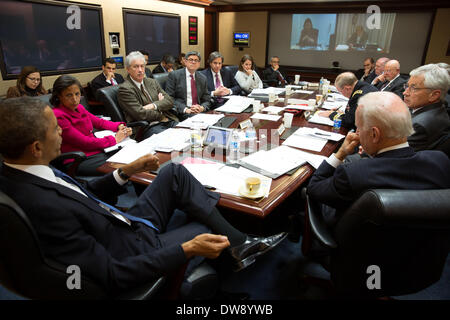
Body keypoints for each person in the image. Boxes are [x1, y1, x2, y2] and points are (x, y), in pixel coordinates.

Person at [0, 96, 287, 295]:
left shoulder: (28, 170)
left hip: (119, 223)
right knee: (204, 226)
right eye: (55, 129)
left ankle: (241, 244)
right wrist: (186, 249)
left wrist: (125, 172)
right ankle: (229, 262)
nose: (62, 132)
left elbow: (81, 193)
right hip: (130, 249)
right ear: (36, 147)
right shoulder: (41, 206)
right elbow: (111, 274)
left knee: (174, 171)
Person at [307, 91, 450, 226]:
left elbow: (314, 188)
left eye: (358, 128)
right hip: (427, 249)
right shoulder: (440, 161)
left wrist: (340, 154)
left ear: (375, 134)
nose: (357, 133)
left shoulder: (353, 173)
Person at [51, 75, 132, 176]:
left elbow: (99, 122)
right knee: (125, 166)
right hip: (78, 159)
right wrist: (115, 139)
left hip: (96, 150)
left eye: (77, 94)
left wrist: (119, 126)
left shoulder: (79, 108)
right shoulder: (58, 115)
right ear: (59, 96)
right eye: (68, 95)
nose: (75, 99)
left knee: (130, 156)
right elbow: (84, 142)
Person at [117, 51, 178, 139]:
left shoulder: (151, 82)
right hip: (147, 127)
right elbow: (140, 114)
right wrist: (160, 113)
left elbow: (169, 101)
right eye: (136, 67)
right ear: (128, 69)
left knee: (188, 133)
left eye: (142, 66)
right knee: (171, 139)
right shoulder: (125, 89)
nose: (140, 70)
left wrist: (153, 105)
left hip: (168, 120)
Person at [404, 64, 450, 151]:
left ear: (434, 95)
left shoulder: (419, 126)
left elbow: (396, 156)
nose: (405, 93)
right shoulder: (438, 108)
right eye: (407, 86)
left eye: (413, 88)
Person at [165, 51, 211, 119]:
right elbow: (169, 98)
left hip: (199, 111)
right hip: (182, 112)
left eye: (196, 60)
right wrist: (185, 109)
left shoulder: (202, 78)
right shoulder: (174, 76)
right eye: (191, 60)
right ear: (185, 61)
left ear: (199, 64)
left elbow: (207, 99)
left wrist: (201, 107)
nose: (193, 62)